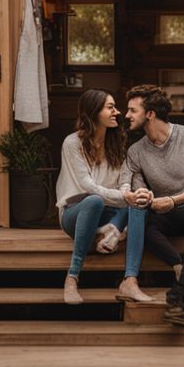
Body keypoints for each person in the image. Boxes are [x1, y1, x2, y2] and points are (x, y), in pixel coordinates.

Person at [124, 84, 184, 326]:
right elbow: (133, 186)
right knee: (140, 223)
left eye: (132, 110)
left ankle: (180, 291)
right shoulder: (136, 151)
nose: (127, 116)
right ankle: (181, 270)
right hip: (164, 215)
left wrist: (174, 200)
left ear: (150, 114)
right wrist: (140, 195)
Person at [55, 89, 154, 305]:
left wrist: (135, 194)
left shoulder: (115, 143)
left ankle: (130, 280)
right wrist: (125, 196)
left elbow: (123, 181)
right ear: (93, 111)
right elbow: (88, 187)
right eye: (110, 107)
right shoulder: (72, 143)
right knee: (94, 200)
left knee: (138, 204)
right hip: (76, 212)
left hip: (108, 210)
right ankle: (72, 277)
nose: (117, 112)